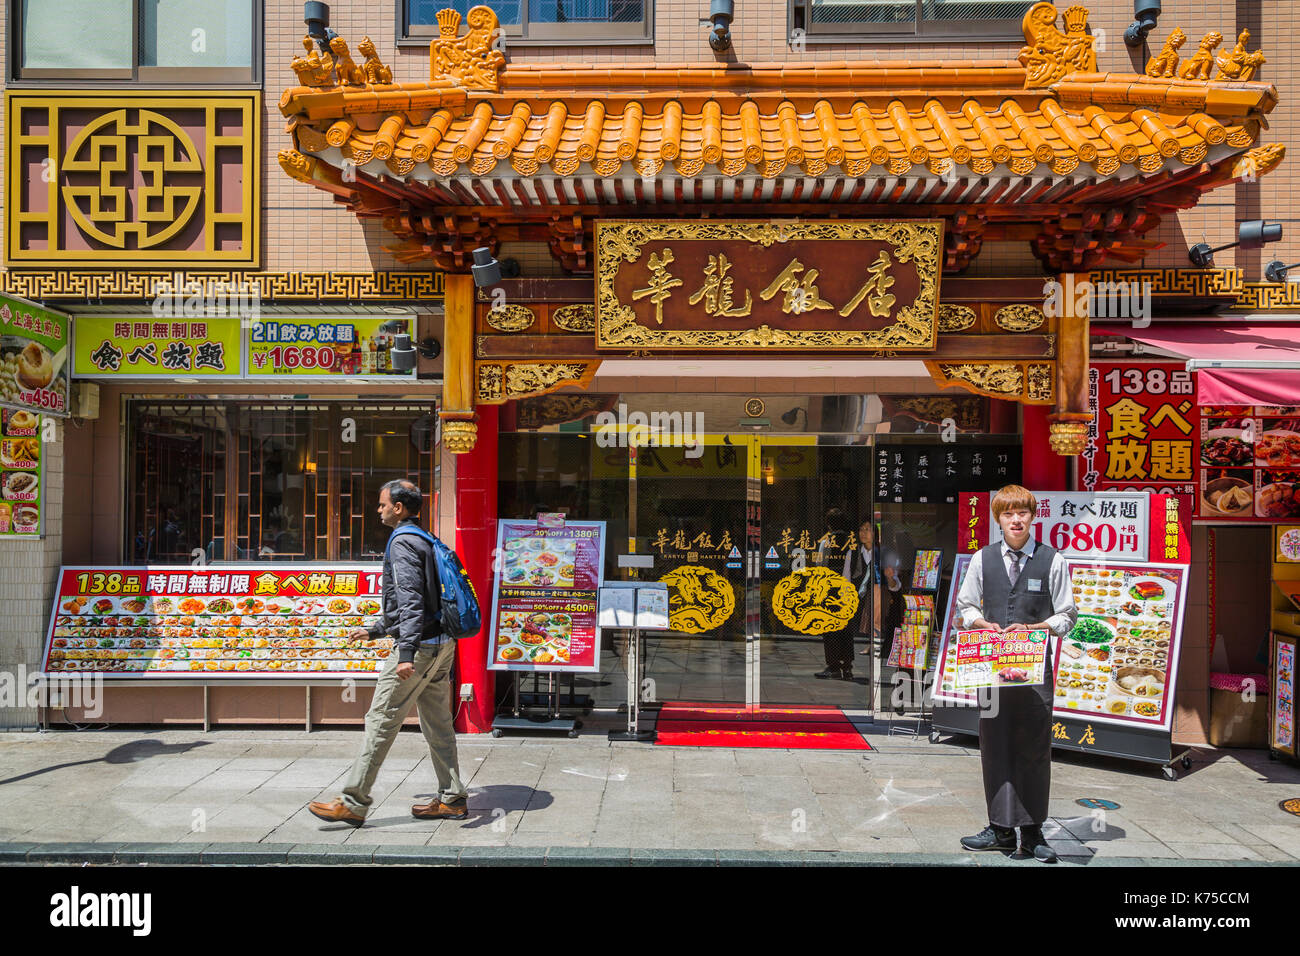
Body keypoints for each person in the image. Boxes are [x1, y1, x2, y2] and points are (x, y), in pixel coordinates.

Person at [308, 479, 469, 826]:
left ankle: (353, 801)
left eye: (382, 504)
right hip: (442, 645)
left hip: (420, 648)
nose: (378, 509)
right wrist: (376, 629)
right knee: (439, 724)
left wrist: (406, 652)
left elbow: (410, 600)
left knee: (380, 719)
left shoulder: (402, 543)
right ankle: (452, 798)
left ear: (398, 507)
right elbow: (418, 599)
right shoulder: (425, 538)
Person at [954, 484, 1077, 863]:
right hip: (991, 672)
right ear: (999, 519)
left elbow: (1068, 615)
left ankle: (1034, 832)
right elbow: (965, 605)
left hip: (1034, 674)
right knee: (994, 746)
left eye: (1022, 512)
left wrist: (1039, 628)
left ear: (1032, 516)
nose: (1016, 519)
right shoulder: (982, 559)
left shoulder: (1051, 560)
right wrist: (981, 623)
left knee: (1034, 749)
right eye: (1008, 514)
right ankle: (1000, 828)